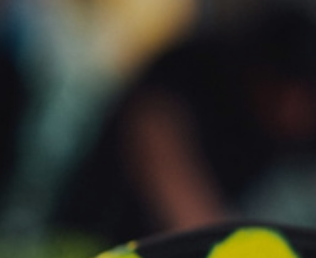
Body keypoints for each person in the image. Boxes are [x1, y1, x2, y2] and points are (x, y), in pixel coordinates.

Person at [54, 6, 316, 245]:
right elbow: (161, 164)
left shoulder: (291, 133)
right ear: (263, 76)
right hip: (90, 243)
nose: (296, 112)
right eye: (291, 96)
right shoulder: (189, 76)